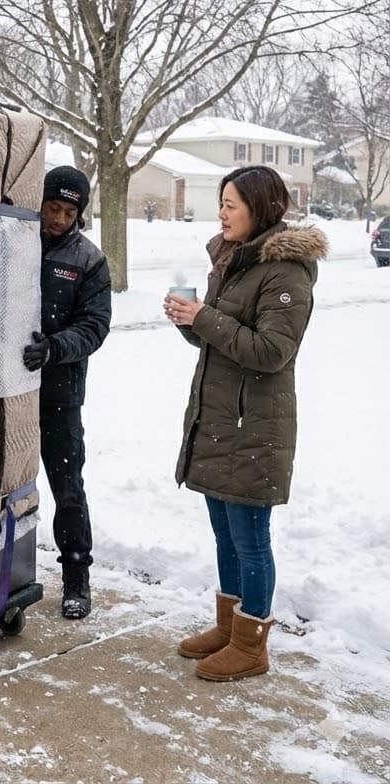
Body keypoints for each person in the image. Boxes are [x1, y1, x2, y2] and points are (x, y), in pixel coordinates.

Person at [164, 165, 327, 682]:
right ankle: (229, 628)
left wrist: (205, 318)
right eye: (222, 202)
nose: (222, 212)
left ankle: (252, 643)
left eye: (231, 203)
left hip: (255, 425)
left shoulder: (287, 270)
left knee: (250, 538)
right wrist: (191, 320)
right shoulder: (233, 260)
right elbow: (221, 336)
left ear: (259, 207)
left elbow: (272, 351)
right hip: (219, 418)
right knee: (224, 535)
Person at [22, 166, 111, 619]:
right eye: (51, 207)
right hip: (8, 391)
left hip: (59, 394)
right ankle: (0, 571)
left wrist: (54, 348)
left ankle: (77, 577)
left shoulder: (88, 260)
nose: (57, 218)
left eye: (67, 211)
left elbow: (95, 327)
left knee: (67, 488)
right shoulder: (16, 241)